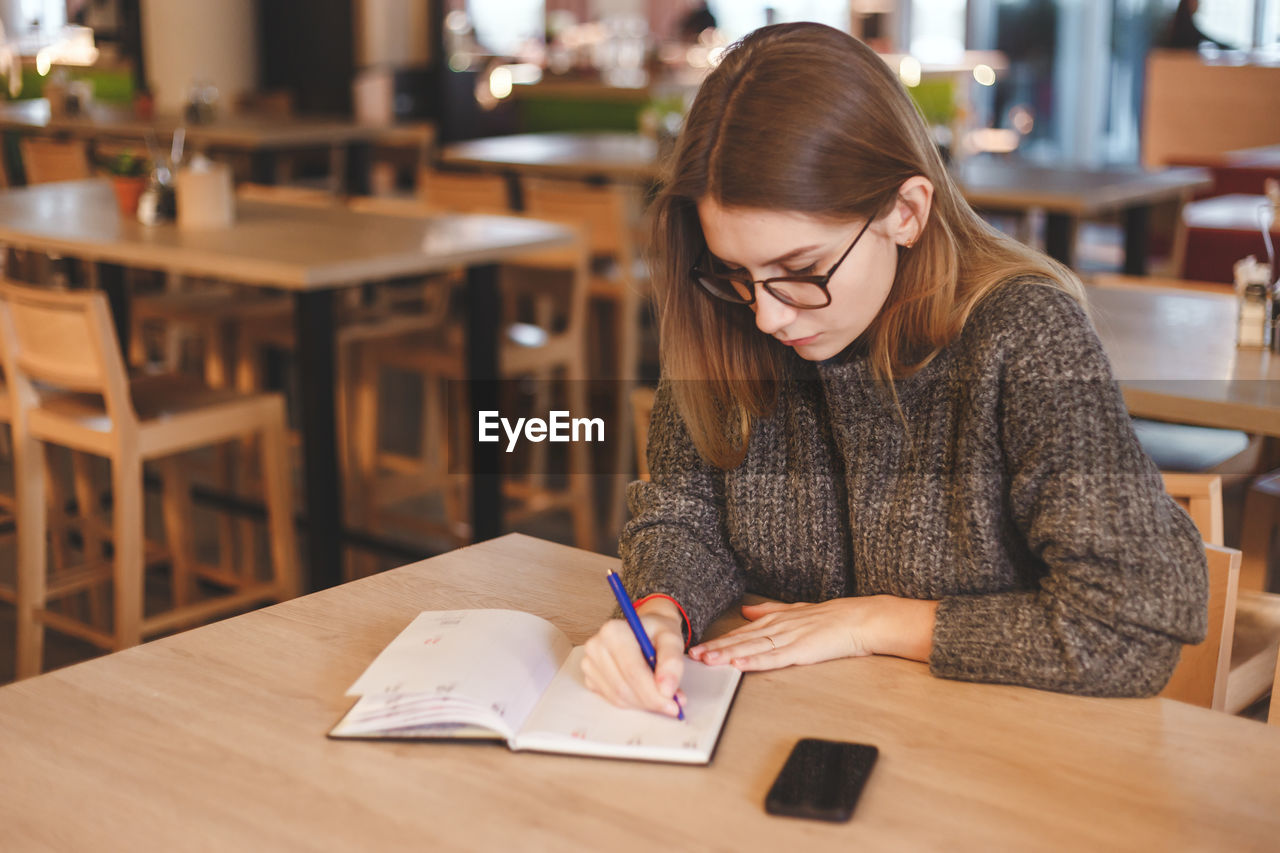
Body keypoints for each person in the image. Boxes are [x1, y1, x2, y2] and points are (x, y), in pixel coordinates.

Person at [581, 22, 1208, 718]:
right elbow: (684, 510)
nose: (766, 316)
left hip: (1002, 756)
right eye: (737, 273)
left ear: (905, 212)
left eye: (801, 271)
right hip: (801, 730)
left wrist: (873, 621)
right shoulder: (726, 314)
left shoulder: (1025, 336)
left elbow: (1129, 625)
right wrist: (660, 612)